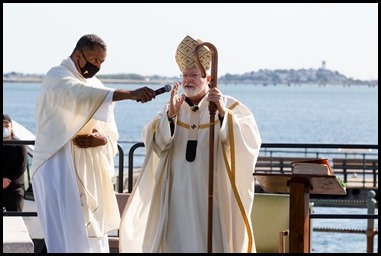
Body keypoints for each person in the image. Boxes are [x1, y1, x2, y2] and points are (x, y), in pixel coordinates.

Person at [119, 35, 262, 253]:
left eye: (194, 75)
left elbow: (249, 141)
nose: (188, 80)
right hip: (177, 194)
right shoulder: (173, 107)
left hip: (213, 196)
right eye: (185, 75)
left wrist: (223, 114)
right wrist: (170, 117)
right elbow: (155, 143)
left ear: (209, 79)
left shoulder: (228, 105)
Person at [30, 34, 156, 253]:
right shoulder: (57, 77)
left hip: (89, 168)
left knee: (92, 230)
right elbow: (79, 95)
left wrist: (103, 139)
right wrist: (129, 94)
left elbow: (109, 129)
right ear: (79, 54)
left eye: (101, 62)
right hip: (58, 164)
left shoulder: (95, 84)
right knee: (67, 228)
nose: (97, 66)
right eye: (94, 59)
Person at [3, 114, 27, 212]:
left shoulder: (19, 145)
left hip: (14, 190)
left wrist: (7, 181)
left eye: (6, 126)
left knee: (14, 222)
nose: (4, 128)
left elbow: (21, 167)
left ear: (11, 127)